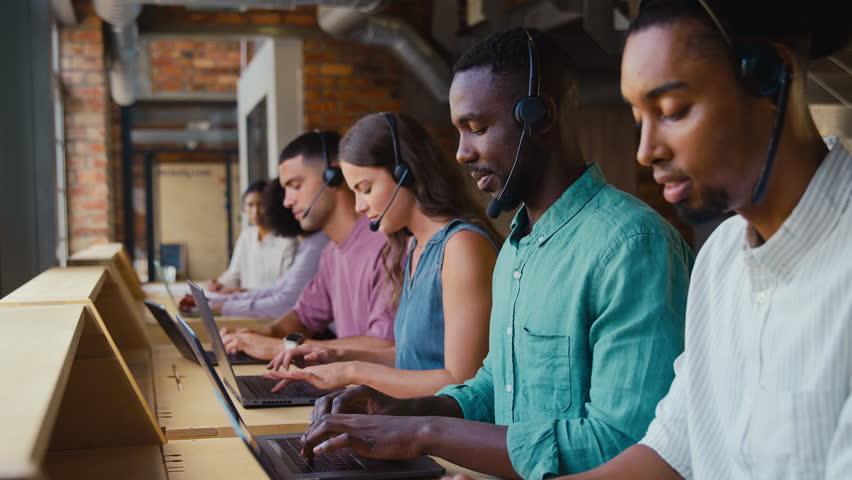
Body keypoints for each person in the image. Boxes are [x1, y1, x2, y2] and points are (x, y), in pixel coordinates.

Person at [458, 1, 851, 479]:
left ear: (770, 78)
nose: (646, 152)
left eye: (673, 111)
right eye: (640, 118)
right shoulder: (721, 259)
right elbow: (667, 452)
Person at [294, 27, 694, 480]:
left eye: (477, 128)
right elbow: (494, 386)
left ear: (539, 116)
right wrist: (399, 410)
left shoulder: (631, 246)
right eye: (459, 133)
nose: (463, 154)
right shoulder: (518, 247)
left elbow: (624, 445)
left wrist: (426, 433)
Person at [264, 112, 501, 398]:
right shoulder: (413, 245)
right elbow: (412, 358)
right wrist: (333, 356)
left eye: (365, 190)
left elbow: (462, 382)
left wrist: (352, 372)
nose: (359, 206)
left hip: (444, 433)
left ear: (405, 173)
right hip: (414, 425)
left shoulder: (462, 247)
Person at [220, 131, 397, 360]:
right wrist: (258, 337)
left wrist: (280, 347)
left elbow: (385, 344)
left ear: (333, 176)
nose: (287, 201)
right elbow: (304, 317)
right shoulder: (331, 252)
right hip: (346, 387)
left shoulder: (387, 243)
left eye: (295, 185)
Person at [180, 179, 329, 318]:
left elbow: (285, 301)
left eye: (264, 206)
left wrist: (222, 304)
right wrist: (219, 296)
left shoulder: (307, 245)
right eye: (250, 205)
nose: (289, 202)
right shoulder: (308, 244)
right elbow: (275, 290)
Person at [208, 180, 298, 292]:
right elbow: (234, 274)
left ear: (271, 206)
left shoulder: (288, 241)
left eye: (261, 205)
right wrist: (220, 284)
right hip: (246, 304)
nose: (255, 212)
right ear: (244, 208)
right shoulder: (247, 236)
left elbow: (284, 290)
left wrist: (241, 291)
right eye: (250, 205)